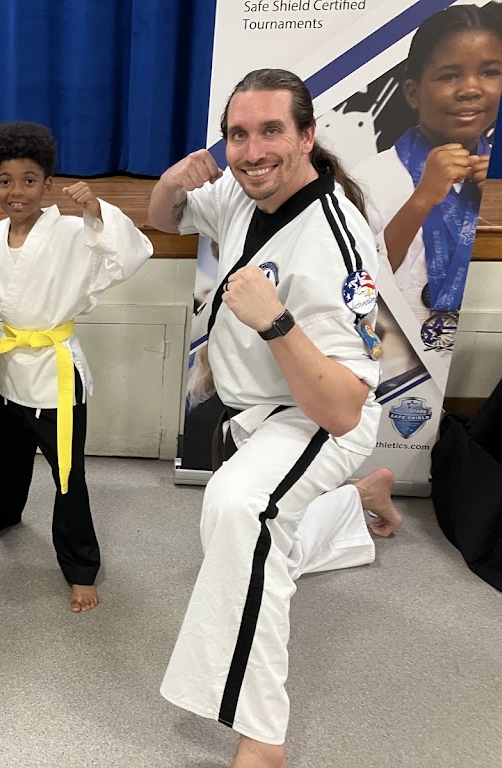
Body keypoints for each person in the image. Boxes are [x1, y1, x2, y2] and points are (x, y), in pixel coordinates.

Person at [147, 69, 403, 768]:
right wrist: (172, 181)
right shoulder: (242, 188)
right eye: (238, 135)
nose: (253, 151)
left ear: (307, 136)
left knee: (242, 511)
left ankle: (262, 736)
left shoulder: (338, 243)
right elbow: (165, 217)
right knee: (252, 533)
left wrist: (277, 322)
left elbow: (343, 408)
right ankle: (358, 503)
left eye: (270, 132)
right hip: (255, 409)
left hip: (315, 415)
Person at [0, 121, 153, 613]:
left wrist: (96, 210)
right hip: (10, 368)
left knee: (67, 475)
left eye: (28, 179)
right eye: (5, 181)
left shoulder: (72, 232)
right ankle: (2, 513)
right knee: (8, 458)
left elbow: (129, 255)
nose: (16, 191)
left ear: (47, 183)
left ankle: (81, 568)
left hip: (55, 376)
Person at [353, 4, 502, 353]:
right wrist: (422, 199)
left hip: (487, 358)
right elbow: (357, 283)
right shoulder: (367, 178)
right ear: (412, 92)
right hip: (397, 360)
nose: (471, 89)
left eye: (489, 72)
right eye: (449, 76)